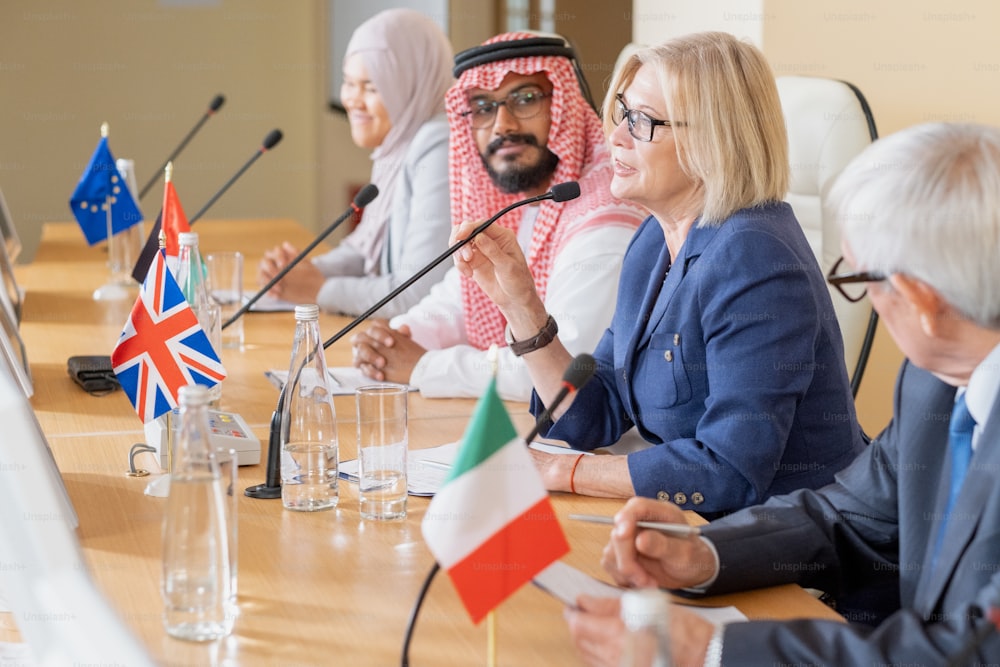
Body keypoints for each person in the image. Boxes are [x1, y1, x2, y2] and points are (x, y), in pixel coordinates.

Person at [565, 121, 1000, 666]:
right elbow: (847, 516)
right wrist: (705, 554)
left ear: (920, 300)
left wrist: (712, 648)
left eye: (858, 278)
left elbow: (976, 652)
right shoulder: (934, 381)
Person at [452, 32, 865, 511]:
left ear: (715, 139)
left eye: (643, 121)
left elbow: (730, 470)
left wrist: (565, 470)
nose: (617, 136)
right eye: (624, 113)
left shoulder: (755, 259)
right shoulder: (654, 240)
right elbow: (596, 412)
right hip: (696, 527)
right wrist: (520, 304)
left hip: (792, 549)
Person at [349, 32, 646, 401]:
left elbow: (562, 367)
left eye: (525, 100)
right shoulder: (520, 202)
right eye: (484, 108)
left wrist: (423, 367)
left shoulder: (606, 211)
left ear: (565, 105)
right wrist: (396, 338)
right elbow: (463, 300)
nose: (502, 125)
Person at [256, 9, 453, 318]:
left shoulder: (439, 144)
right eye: (349, 83)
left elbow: (416, 293)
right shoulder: (397, 145)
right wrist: (295, 273)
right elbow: (365, 253)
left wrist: (316, 289)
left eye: (372, 88)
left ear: (412, 85)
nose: (353, 100)